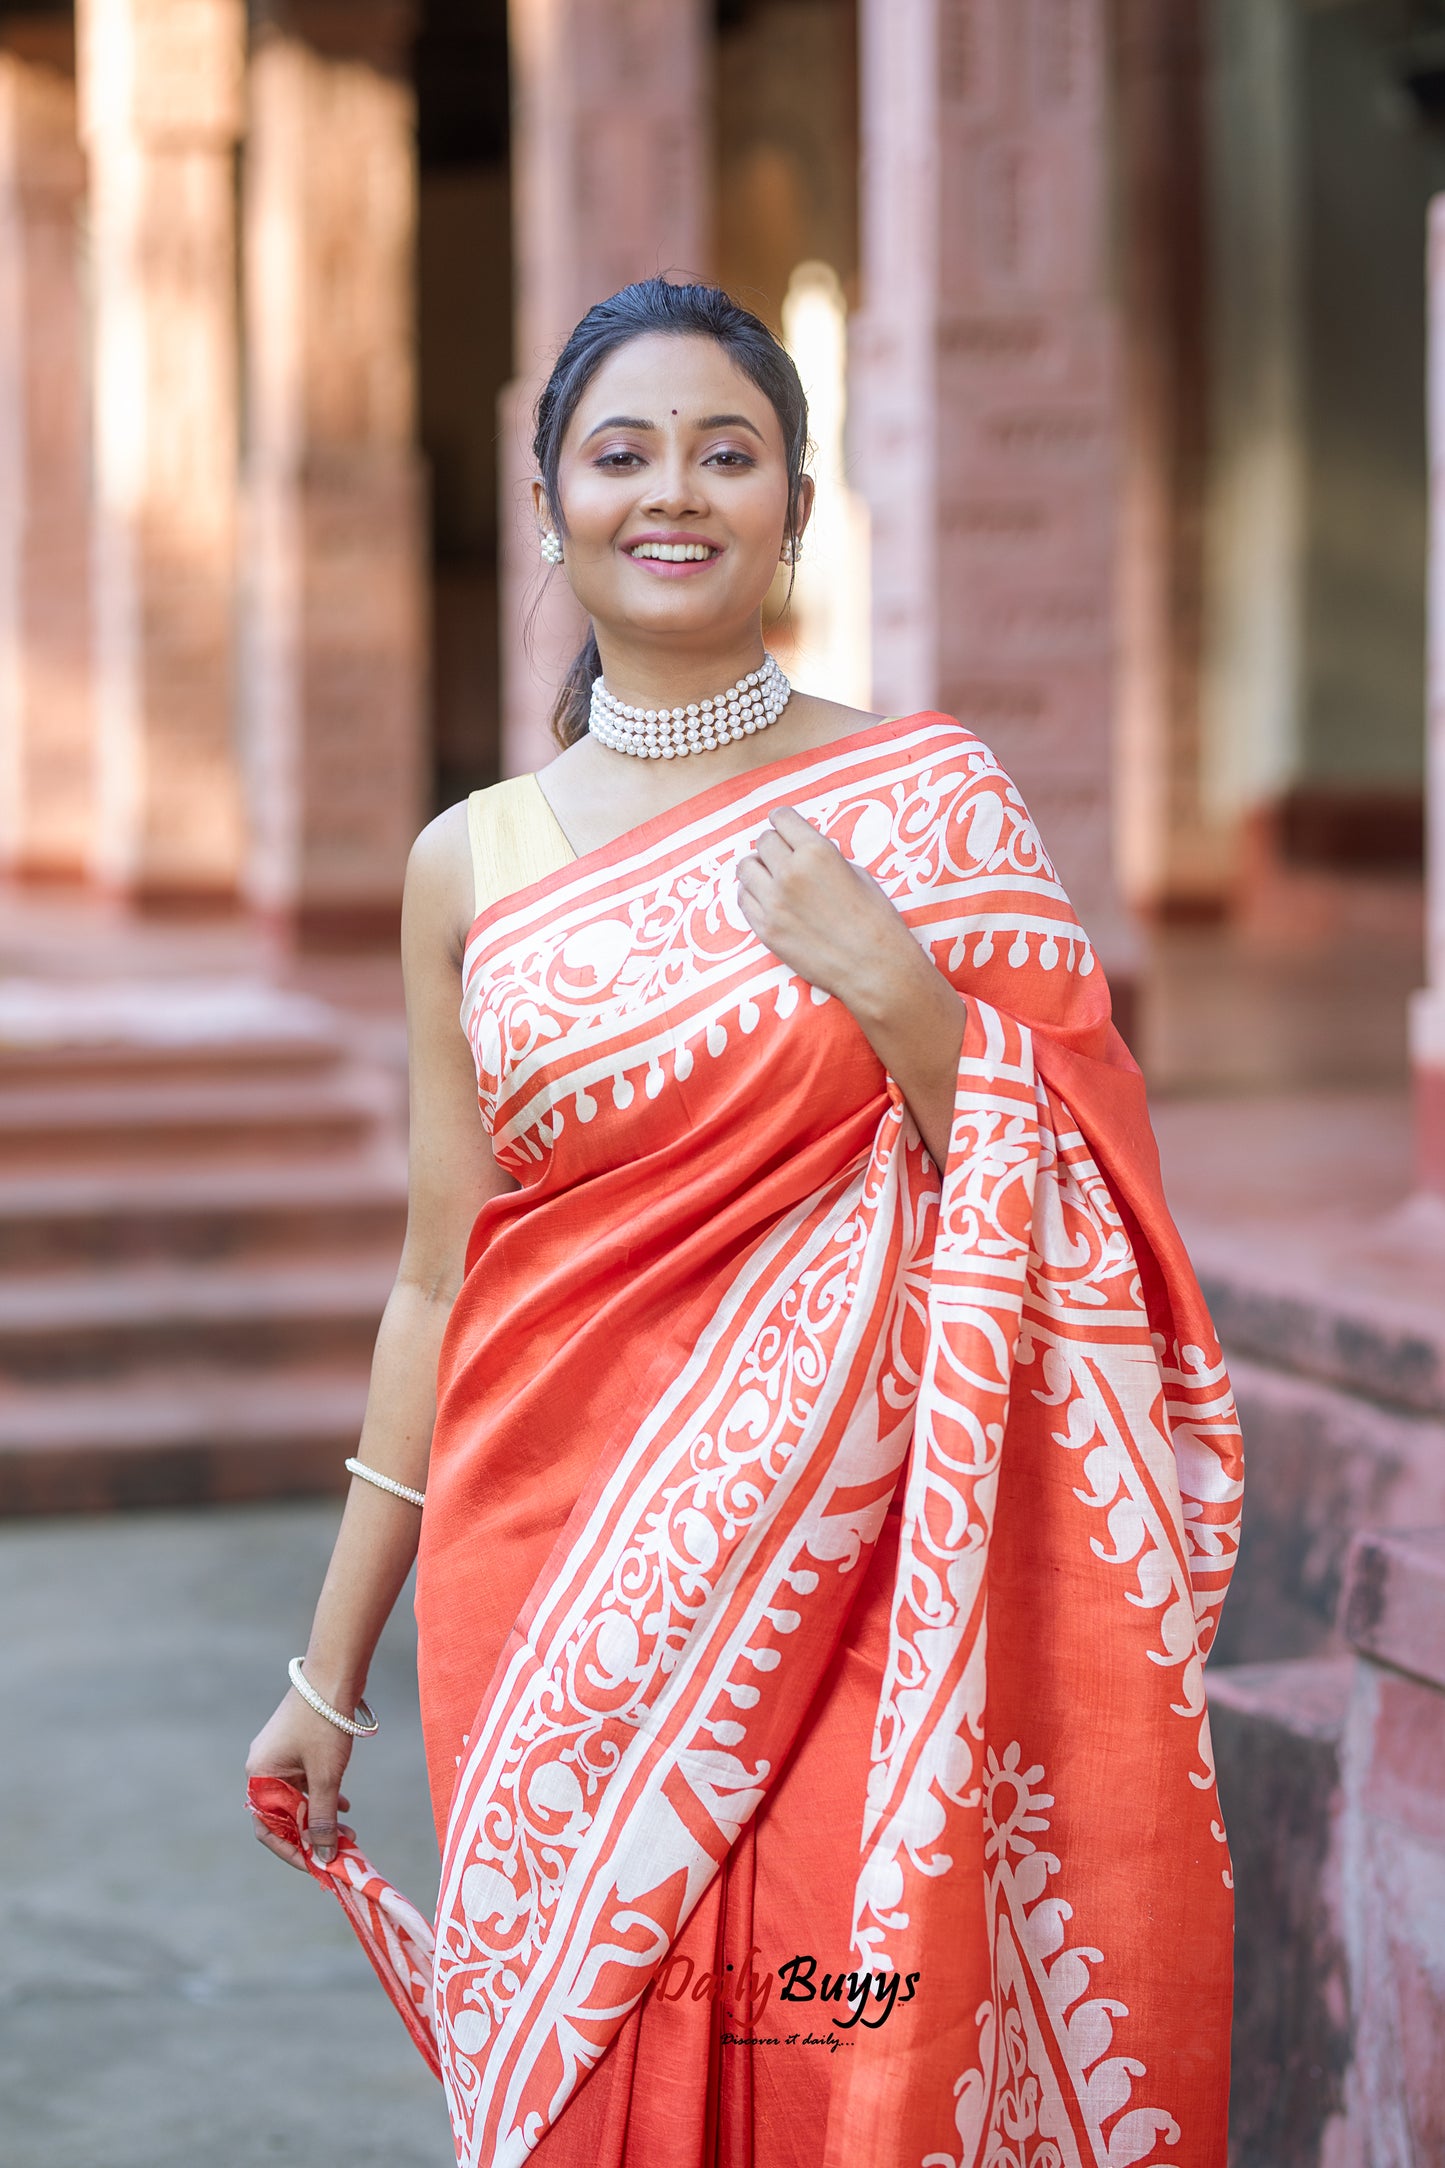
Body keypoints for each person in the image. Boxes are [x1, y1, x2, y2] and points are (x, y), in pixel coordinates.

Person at [246, 277, 1243, 2168]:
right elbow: (436, 1275)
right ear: (549, 506)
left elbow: (1097, 1214)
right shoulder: (470, 863)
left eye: (729, 450)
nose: (673, 491)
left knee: (830, 2037)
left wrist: (911, 1006)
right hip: (552, 1603)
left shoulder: (926, 806)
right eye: (620, 454)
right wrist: (326, 1671)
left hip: (874, 1582)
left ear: (795, 501)